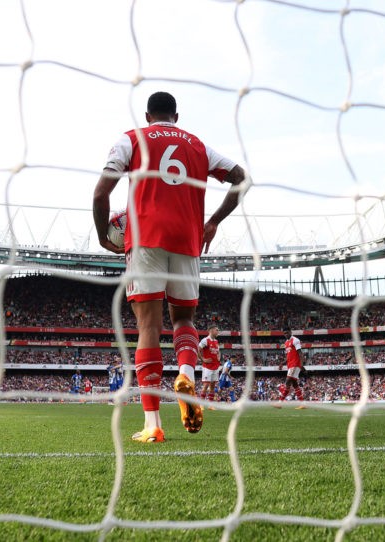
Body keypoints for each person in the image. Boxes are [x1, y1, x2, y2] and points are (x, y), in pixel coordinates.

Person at [93, 91, 246, 443]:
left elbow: (101, 194)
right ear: (177, 115)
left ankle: (153, 424)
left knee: (149, 325)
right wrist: (214, 222)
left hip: (145, 237)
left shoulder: (132, 139)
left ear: (148, 115)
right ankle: (187, 374)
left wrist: (104, 235)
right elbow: (240, 177)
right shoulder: (198, 146)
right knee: (184, 320)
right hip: (188, 239)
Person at [276, 327, 306, 408]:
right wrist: (282, 363)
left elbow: (300, 353)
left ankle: (280, 402)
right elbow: (288, 356)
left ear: (290, 332)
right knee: (295, 384)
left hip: (295, 364)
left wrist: (301, 365)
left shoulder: (295, 340)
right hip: (290, 365)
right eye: (284, 333)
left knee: (288, 381)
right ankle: (302, 404)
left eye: (287, 332)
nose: (286, 334)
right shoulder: (286, 343)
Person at [198, 325, 221, 409]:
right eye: (216, 330)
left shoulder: (216, 341)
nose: (218, 331)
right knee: (206, 385)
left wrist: (219, 356)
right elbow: (198, 349)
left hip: (215, 366)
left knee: (212, 386)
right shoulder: (205, 340)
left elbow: (218, 351)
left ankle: (211, 405)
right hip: (207, 366)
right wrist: (203, 359)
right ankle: (201, 404)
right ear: (211, 330)